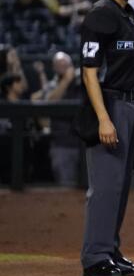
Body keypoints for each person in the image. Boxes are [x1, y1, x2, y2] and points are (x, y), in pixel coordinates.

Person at [79, 0, 134, 276]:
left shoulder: (131, 15)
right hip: (108, 104)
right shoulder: (100, 16)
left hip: (130, 104)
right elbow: (89, 72)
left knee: (120, 185)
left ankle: (109, 248)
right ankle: (95, 257)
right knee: (105, 186)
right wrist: (104, 118)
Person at [44, 52, 82, 186]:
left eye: (66, 65)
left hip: (82, 145)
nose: (64, 68)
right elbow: (49, 102)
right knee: (66, 187)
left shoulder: (81, 83)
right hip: (62, 146)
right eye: (59, 65)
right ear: (54, 68)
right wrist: (66, 80)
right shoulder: (52, 85)